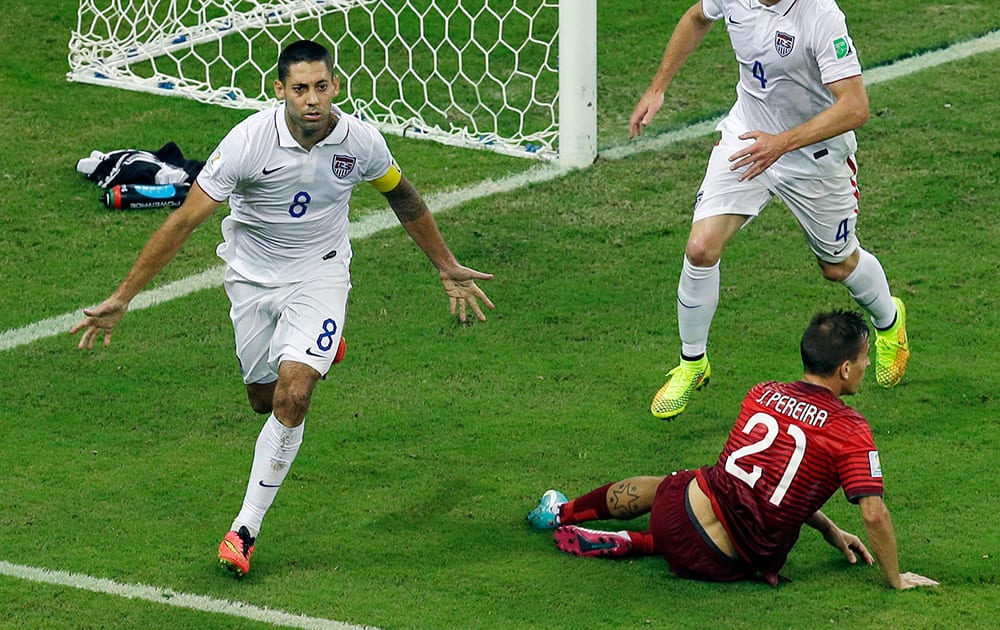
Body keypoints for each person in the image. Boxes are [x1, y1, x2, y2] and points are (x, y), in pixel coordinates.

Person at [71, 40, 494, 578]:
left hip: (320, 273)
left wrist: (445, 264)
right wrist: (122, 297)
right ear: (280, 92)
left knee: (293, 397)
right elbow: (182, 222)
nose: (312, 99)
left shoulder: (359, 141)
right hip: (250, 279)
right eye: (300, 89)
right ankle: (321, 346)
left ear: (335, 86)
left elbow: (403, 196)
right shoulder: (248, 142)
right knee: (262, 400)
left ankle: (243, 530)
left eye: (321, 86)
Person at [629, 0, 910, 419]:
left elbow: (855, 106)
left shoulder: (821, 16)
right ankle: (693, 363)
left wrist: (780, 145)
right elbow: (696, 18)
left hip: (814, 157)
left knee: (837, 265)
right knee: (701, 248)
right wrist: (657, 87)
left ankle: (890, 325)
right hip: (748, 136)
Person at [527, 311, 937, 590]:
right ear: (845, 368)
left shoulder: (762, 394)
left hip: (677, 514)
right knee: (728, 523)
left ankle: (562, 514)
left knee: (680, 482)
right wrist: (895, 578)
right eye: (865, 359)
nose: (867, 366)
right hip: (727, 563)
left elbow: (751, 479)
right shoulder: (849, 428)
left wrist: (829, 528)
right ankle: (637, 543)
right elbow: (872, 512)